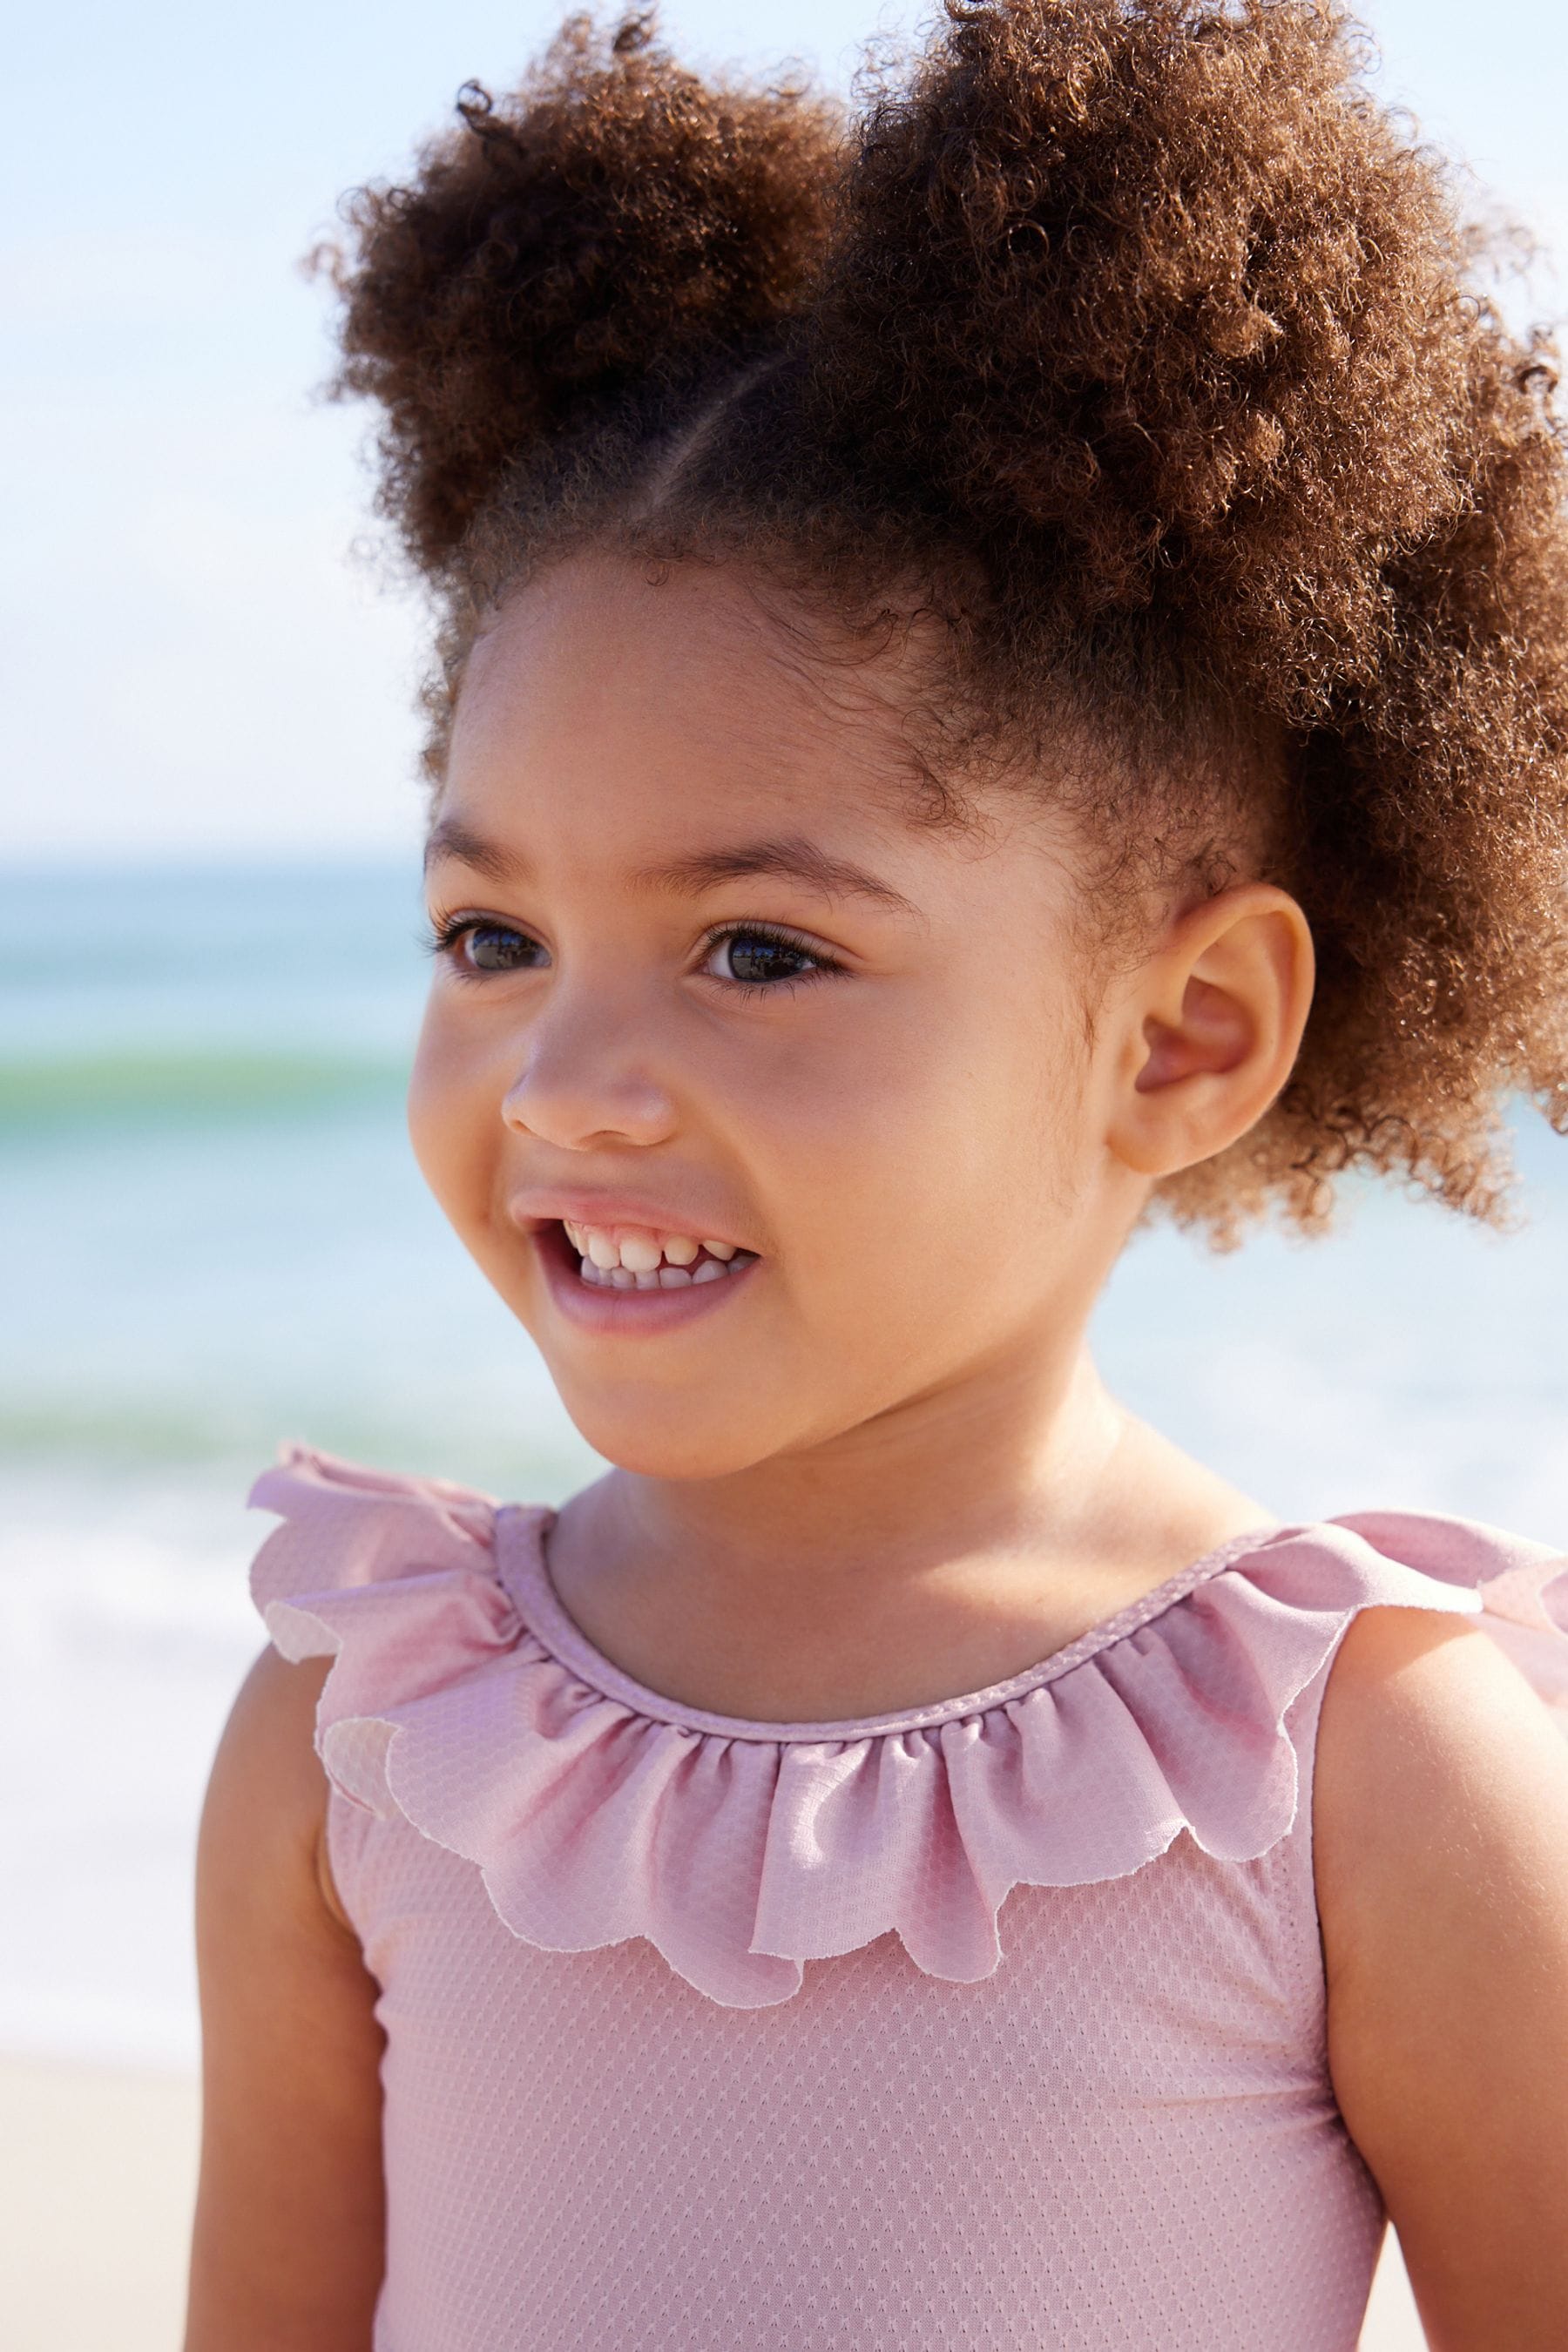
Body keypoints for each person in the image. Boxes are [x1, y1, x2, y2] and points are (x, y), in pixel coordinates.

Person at [185, 4, 1568, 2345]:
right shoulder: (364, 1737)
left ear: (1185, 1032)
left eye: (757, 947)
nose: (574, 1079)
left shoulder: (1356, 1766)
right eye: (491, 934)